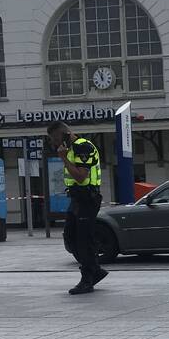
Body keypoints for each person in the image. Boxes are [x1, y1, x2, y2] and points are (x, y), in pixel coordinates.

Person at [47, 121, 108, 295]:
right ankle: (94, 270)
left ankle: (88, 278)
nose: (54, 143)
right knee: (70, 237)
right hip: (77, 198)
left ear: (64, 134)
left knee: (83, 239)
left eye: (55, 138)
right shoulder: (71, 148)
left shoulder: (83, 147)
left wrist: (64, 158)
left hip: (88, 198)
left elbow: (81, 177)